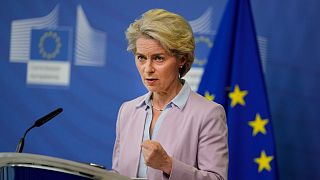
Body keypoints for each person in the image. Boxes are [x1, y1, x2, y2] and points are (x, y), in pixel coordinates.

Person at [112, 9, 228, 180]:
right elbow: (118, 173)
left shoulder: (208, 114)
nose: (148, 68)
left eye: (158, 58)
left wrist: (168, 164)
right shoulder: (127, 111)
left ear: (181, 59)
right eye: (141, 57)